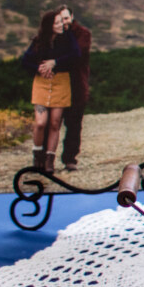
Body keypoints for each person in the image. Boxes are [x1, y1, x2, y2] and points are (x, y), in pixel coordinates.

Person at [19, 6, 82, 175]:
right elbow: (25, 61)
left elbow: (76, 55)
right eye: (58, 22)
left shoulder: (67, 37)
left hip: (61, 82)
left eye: (62, 21)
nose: (62, 24)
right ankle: (37, 156)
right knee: (40, 122)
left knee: (55, 123)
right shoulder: (39, 41)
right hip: (42, 83)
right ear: (49, 25)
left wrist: (55, 62)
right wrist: (40, 68)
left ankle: (49, 160)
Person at [56, 11, 92, 173]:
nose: (64, 22)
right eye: (60, 19)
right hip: (56, 86)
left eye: (66, 18)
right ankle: (45, 160)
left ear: (72, 16)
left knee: (73, 124)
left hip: (76, 86)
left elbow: (77, 54)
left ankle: (70, 159)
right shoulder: (53, 34)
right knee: (52, 124)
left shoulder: (82, 34)